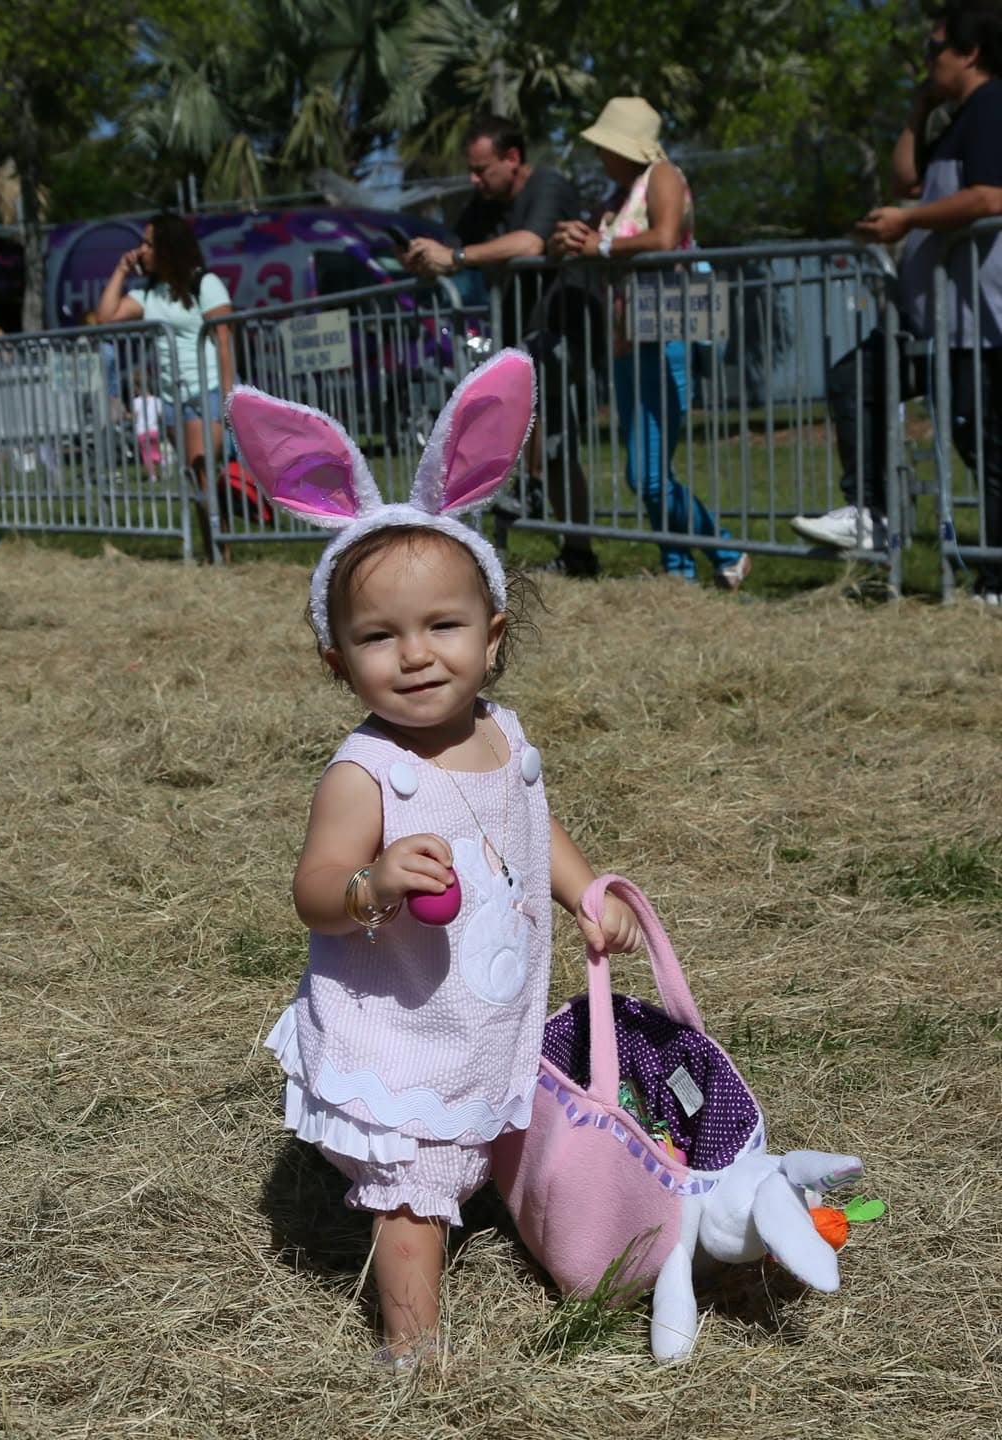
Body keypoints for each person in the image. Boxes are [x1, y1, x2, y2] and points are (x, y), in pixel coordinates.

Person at [227, 350, 644, 1368]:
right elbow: (313, 891)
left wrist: (585, 886)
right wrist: (369, 885)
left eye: (443, 626)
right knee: (415, 1182)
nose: (415, 654)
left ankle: (539, 1226)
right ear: (338, 659)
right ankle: (416, 1346)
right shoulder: (366, 771)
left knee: (489, 1134)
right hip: (398, 1024)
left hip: (482, 1001)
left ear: (493, 636)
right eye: (379, 636)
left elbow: (534, 826)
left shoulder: (504, 733)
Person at [791, 1, 1002, 605]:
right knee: (854, 377)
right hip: (931, 319)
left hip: (978, 320)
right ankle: (872, 513)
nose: (927, 60)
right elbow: (907, 179)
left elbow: (990, 197)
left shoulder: (992, 106)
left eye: (936, 49)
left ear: (972, 53)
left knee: (981, 441)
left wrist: (908, 222)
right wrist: (918, 109)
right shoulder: (956, 116)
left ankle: (995, 580)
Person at [549, 98, 751, 590]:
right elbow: (599, 243)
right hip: (627, 342)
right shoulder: (619, 195)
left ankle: (725, 548)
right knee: (648, 472)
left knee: (647, 475)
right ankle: (678, 573)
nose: (600, 156)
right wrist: (567, 241)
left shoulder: (662, 177)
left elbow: (664, 237)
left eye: (606, 147)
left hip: (664, 339)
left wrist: (596, 245)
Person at [402, 114, 600, 578]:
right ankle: (562, 547)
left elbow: (530, 243)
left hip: (561, 333)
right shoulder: (485, 202)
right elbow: (453, 244)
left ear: (513, 159)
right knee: (533, 446)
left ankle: (571, 544)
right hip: (518, 342)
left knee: (553, 445)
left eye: (482, 168)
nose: (474, 179)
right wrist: (423, 255)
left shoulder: (548, 185)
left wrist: (455, 258)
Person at [97, 213, 235, 559]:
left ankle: (225, 553)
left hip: (209, 391)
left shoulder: (205, 284)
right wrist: (121, 270)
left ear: (167, 247)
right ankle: (213, 551)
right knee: (195, 476)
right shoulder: (147, 294)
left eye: (148, 243)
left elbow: (224, 339)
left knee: (203, 472)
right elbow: (106, 317)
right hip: (174, 397)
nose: (141, 249)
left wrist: (232, 397)